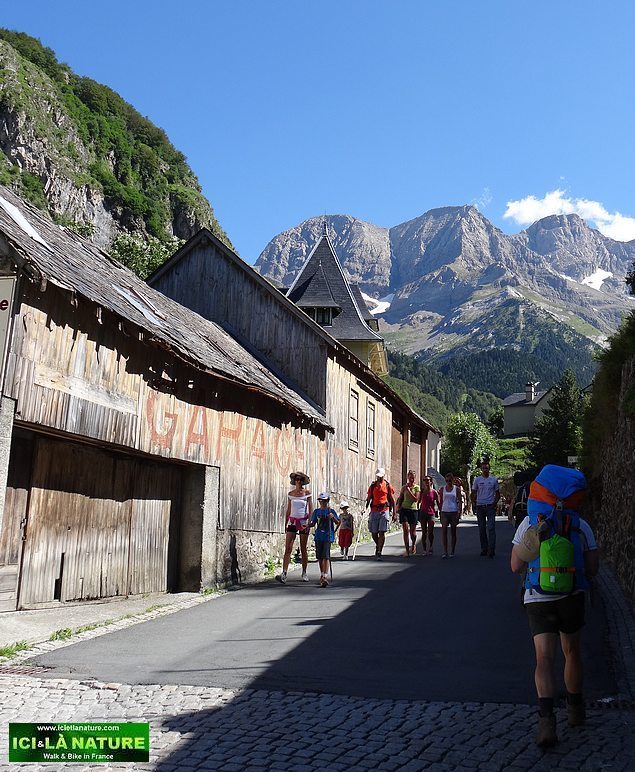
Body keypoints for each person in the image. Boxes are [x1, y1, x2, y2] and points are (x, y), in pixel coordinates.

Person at [511, 468, 599, 748]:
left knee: (544, 660)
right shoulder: (580, 525)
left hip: (538, 596)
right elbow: (593, 568)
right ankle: (575, 711)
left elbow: (515, 566)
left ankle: (547, 723)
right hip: (571, 595)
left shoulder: (529, 522)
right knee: (572, 652)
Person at [276, 471, 312, 584]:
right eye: (297, 479)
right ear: (294, 481)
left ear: (303, 481)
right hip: (292, 521)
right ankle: (284, 573)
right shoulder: (291, 494)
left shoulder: (307, 493)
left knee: (303, 548)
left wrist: (309, 523)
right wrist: (285, 523)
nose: (299, 481)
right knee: (288, 548)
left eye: (301, 480)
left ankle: (304, 572)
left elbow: (310, 509)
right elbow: (288, 509)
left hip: (303, 522)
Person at [309, 492, 340, 586]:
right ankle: (322, 574)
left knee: (326, 556)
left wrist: (333, 519)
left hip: (327, 536)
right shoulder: (316, 512)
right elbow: (313, 523)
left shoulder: (331, 511)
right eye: (320, 500)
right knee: (320, 557)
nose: (322, 502)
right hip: (318, 536)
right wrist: (306, 526)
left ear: (327, 501)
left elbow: (338, 522)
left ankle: (325, 576)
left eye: (324, 501)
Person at [471, 461, 500, 558]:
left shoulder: (493, 480)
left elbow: (497, 493)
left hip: (490, 506)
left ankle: (491, 550)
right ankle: (484, 548)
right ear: (481, 469)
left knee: (491, 528)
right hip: (480, 506)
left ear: (489, 469)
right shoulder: (477, 480)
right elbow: (474, 492)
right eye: (483, 468)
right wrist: (474, 503)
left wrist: (494, 503)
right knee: (481, 528)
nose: (485, 470)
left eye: (487, 468)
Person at [365, 468, 395, 561]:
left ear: (383, 476)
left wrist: (394, 513)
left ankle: (379, 552)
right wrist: (364, 508)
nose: (379, 478)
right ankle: (378, 545)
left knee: (381, 532)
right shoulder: (373, 486)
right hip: (374, 510)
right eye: (378, 476)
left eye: (380, 476)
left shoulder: (387, 485)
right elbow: (369, 498)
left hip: (384, 510)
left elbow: (392, 499)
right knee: (374, 533)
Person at [438, 471, 462, 558]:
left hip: (453, 511)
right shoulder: (442, 489)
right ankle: (445, 551)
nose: (448, 482)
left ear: (452, 480)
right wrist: (440, 512)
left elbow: (459, 501)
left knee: (453, 531)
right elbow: (440, 502)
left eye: (450, 480)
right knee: (444, 530)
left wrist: (459, 512)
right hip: (444, 511)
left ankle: (452, 550)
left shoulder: (457, 489)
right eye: (447, 480)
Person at [396, 470, 420, 556]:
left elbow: (416, 499)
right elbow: (401, 498)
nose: (411, 479)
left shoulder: (417, 487)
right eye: (410, 478)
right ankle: (407, 550)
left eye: (413, 478)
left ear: (415, 478)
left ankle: (413, 544)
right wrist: (398, 507)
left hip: (413, 510)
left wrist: (409, 490)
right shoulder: (404, 487)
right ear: (407, 478)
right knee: (405, 530)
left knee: (412, 532)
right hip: (404, 509)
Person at [418, 476, 439, 555]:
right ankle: (424, 549)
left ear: (431, 482)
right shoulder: (422, 491)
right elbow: (418, 502)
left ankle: (431, 546)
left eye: (428, 480)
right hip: (423, 513)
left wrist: (441, 511)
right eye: (425, 480)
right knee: (424, 532)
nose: (426, 482)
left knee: (430, 531)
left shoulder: (434, 492)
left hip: (431, 513)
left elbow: (438, 502)